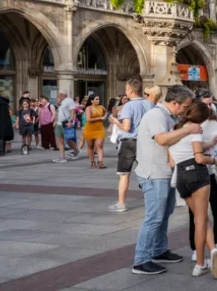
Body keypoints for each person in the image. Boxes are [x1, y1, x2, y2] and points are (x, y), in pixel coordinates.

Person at [131, 86, 200, 276]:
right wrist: (187, 130)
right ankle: (141, 260)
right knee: (154, 217)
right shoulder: (156, 115)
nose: (186, 110)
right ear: (174, 103)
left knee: (164, 214)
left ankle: (159, 250)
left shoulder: (168, 116)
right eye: (185, 106)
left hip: (165, 172)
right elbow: (161, 139)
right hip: (154, 173)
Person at [167, 101, 217, 279]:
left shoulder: (176, 130)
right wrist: (214, 161)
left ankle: (212, 249)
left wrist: (209, 144)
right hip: (197, 174)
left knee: (201, 218)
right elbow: (198, 158)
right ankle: (200, 263)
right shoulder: (196, 130)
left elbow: (172, 162)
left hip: (181, 176)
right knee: (201, 218)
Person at [190, 92, 217, 260]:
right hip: (199, 165)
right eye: (206, 104)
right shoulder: (191, 123)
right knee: (196, 210)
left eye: (211, 103)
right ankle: (195, 247)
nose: (209, 107)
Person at [109, 77, 152, 213]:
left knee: (124, 174)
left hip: (129, 143)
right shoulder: (150, 104)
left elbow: (126, 127)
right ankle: (149, 199)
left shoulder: (128, 106)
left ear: (131, 90)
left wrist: (116, 122)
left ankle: (121, 203)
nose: (125, 91)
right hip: (145, 142)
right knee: (146, 173)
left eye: (127, 89)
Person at [83, 94, 107, 168]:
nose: (98, 101)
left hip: (100, 129)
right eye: (96, 99)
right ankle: (92, 162)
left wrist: (105, 117)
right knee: (90, 146)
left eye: (98, 99)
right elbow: (88, 119)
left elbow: (106, 112)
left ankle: (100, 162)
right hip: (90, 129)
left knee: (99, 145)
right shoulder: (88, 108)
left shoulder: (101, 107)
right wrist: (100, 118)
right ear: (91, 100)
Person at [53, 91, 78, 162]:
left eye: (58, 94)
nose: (57, 96)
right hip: (59, 124)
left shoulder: (69, 101)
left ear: (62, 95)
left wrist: (70, 121)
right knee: (59, 140)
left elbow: (73, 112)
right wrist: (55, 121)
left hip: (66, 123)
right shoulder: (61, 102)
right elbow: (58, 112)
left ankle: (76, 150)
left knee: (68, 140)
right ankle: (62, 157)